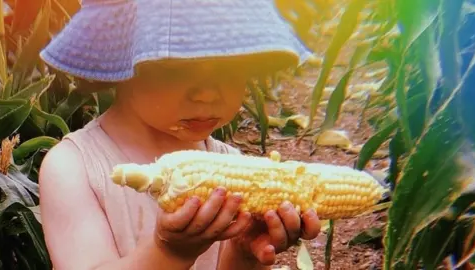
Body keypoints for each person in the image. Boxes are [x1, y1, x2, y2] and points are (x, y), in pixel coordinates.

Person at [38, 0, 322, 269]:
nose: (208, 93)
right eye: (178, 71)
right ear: (122, 61)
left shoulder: (228, 161)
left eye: (231, 68)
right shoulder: (72, 169)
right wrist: (167, 253)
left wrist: (245, 254)